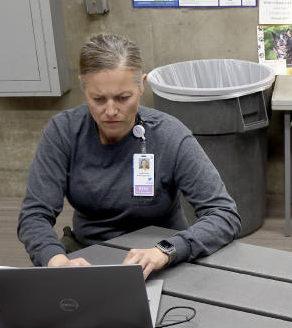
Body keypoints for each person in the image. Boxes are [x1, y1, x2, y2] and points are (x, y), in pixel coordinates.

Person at [17, 33, 241, 278]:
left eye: (123, 98)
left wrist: (166, 250)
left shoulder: (170, 135)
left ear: (142, 85)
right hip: (87, 254)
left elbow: (223, 214)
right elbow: (34, 214)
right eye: (98, 99)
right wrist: (57, 262)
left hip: (161, 257)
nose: (111, 111)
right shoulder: (64, 132)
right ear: (84, 86)